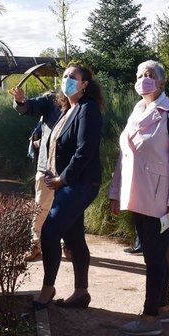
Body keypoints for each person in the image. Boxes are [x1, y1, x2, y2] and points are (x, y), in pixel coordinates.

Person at [109, 60, 169, 336]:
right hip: (136, 195)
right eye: (141, 75)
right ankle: (165, 308)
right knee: (153, 256)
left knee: (155, 257)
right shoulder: (137, 111)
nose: (145, 79)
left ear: (162, 83)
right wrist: (114, 192)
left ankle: (150, 317)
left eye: (151, 75)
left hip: (160, 200)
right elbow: (125, 156)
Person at [32, 63, 103, 310]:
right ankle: (81, 292)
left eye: (73, 77)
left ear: (85, 84)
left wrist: (63, 178)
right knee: (74, 236)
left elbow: (85, 151)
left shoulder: (88, 109)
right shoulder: (68, 109)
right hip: (67, 183)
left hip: (80, 183)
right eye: (65, 76)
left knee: (50, 231)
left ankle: (47, 289)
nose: (67, 80)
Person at [10, 86, 66, 262]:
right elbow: (29, 107)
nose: (69, 82)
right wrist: (20, 100)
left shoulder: (83, 104)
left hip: (70, 170)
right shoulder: (51, 100)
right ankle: (35, 245)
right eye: (66, 77)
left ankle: (68, 245)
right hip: (47, 168)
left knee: (69, 210)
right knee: (40, 208)